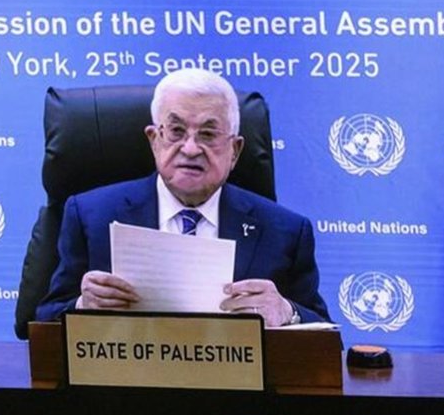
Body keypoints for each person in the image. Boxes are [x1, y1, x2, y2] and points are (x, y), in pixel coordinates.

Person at [35, 67, 329, 326]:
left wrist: (287, 312)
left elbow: (325, 338)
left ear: (235, 151)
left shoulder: (285, 232)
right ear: (154, 140)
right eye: (176, 131)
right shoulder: (90, 216)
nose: (190, 149)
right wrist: (82, 306)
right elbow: (42, 321)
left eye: (208, 134)